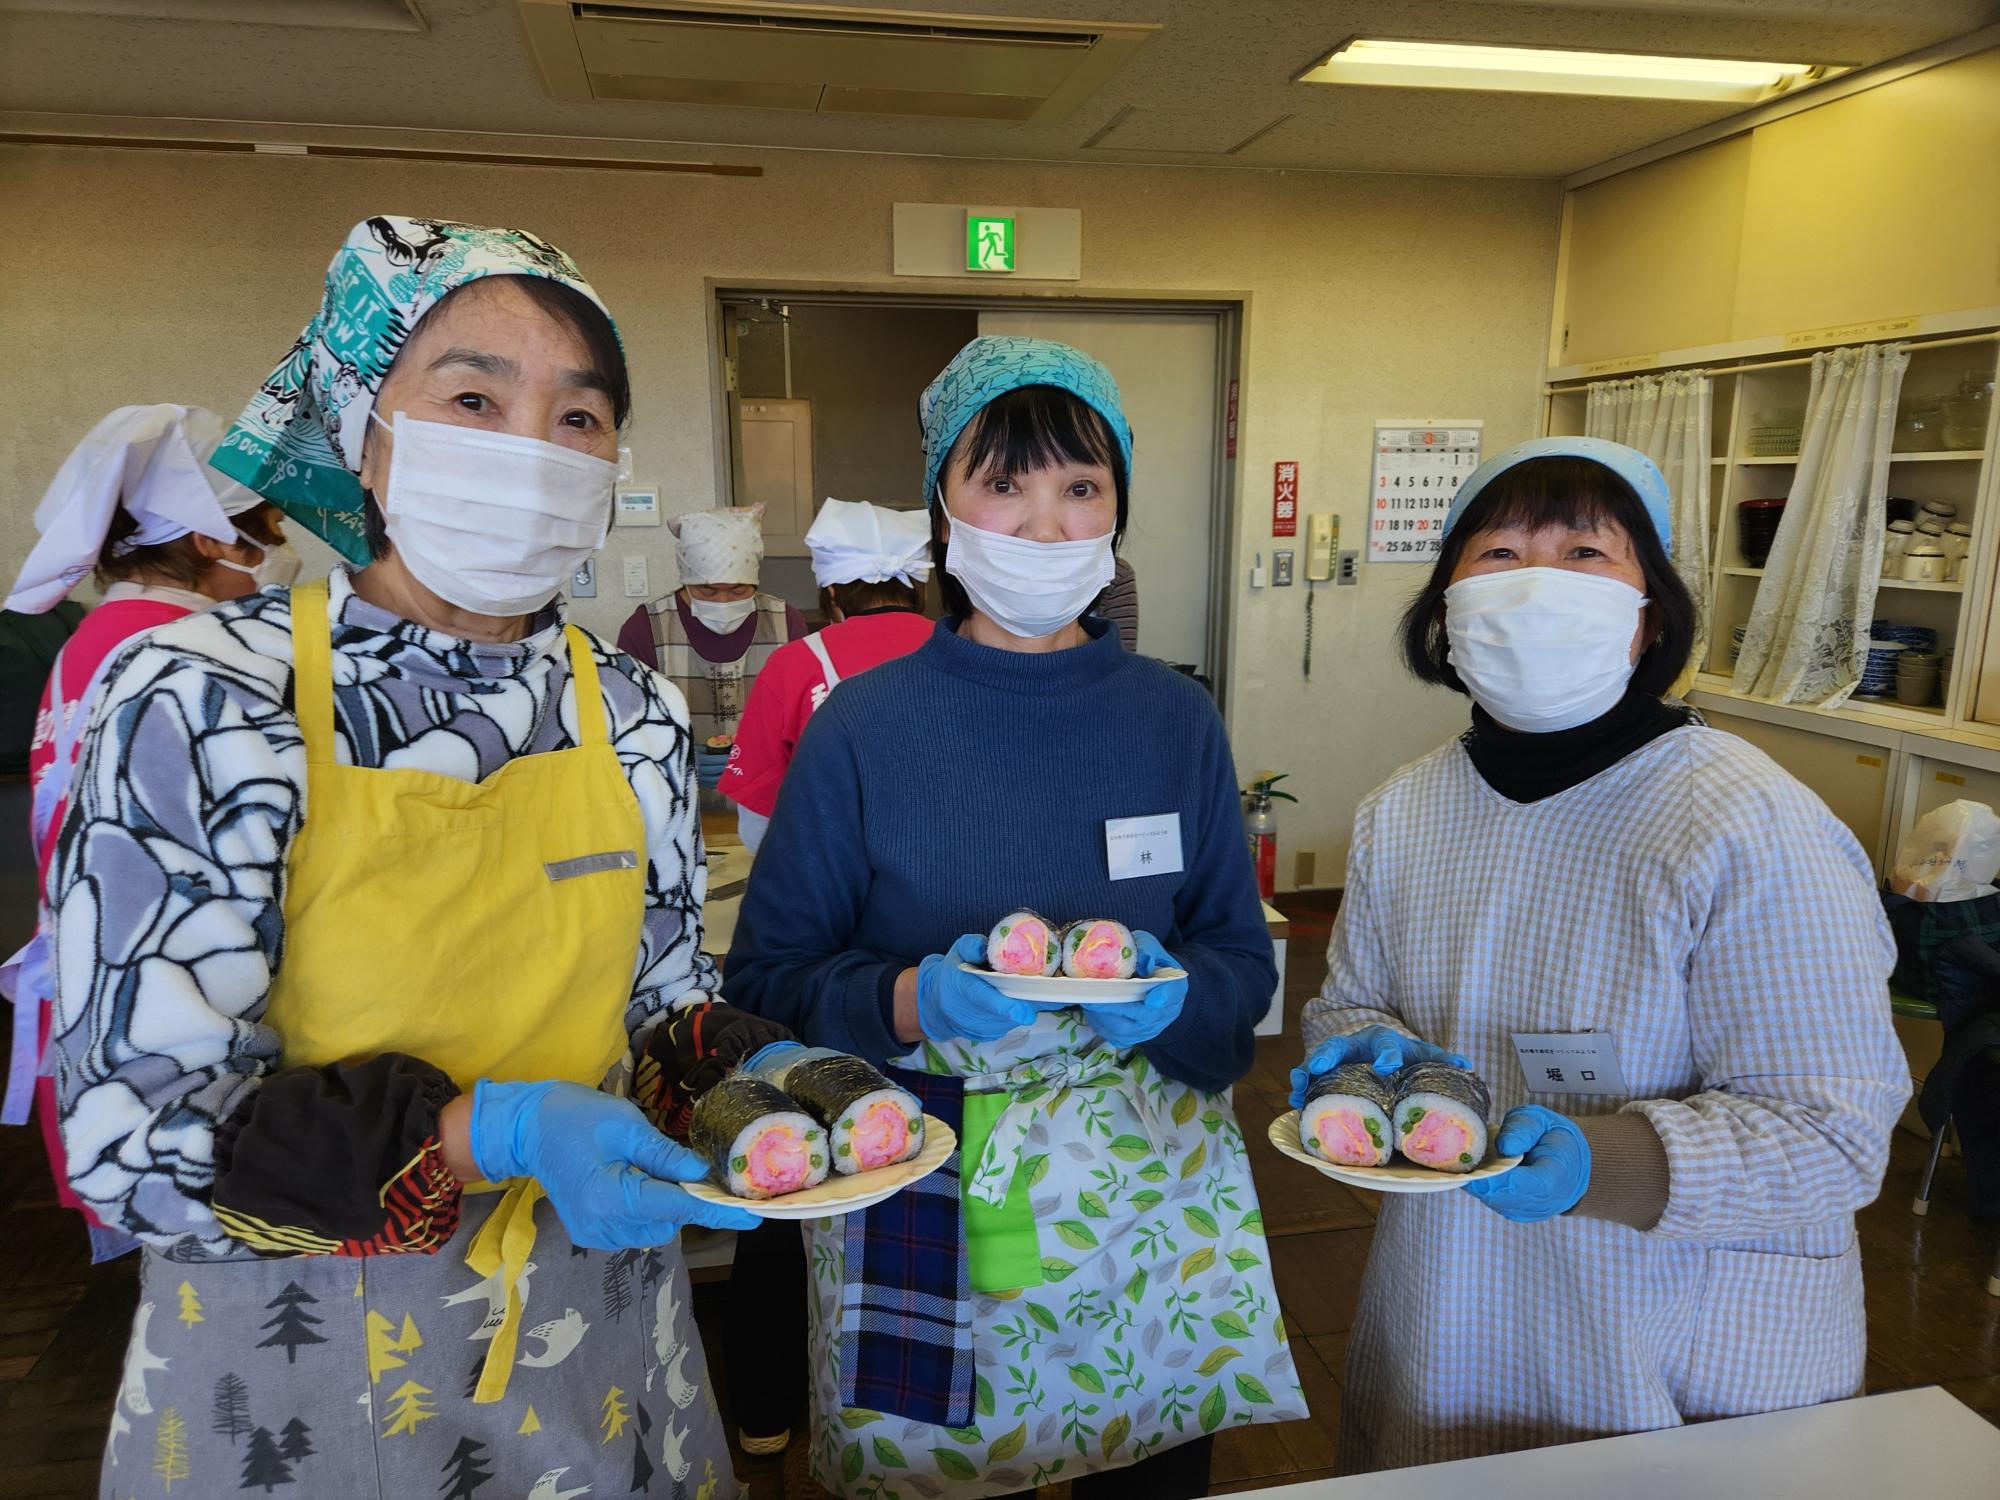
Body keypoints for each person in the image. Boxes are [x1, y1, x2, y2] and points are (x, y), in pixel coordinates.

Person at [50, 216, 776, 1500]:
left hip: (604, 1337)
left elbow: (660, 1010)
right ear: (363, 434)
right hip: (310, 1372)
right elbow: (134, 1138)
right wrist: (483, 1129)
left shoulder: (634, 711)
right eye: (472, 398)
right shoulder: (205, 694)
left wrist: (757, 1077)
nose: (531, 452)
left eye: (577, 419)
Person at [723, 336, 1302, 1500]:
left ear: (1115, 512)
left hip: (1147, 1186)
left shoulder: (1170, 720)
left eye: (1079, 488)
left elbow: (1239, 959)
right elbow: (766, 977)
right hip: (929, 1168)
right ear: (942, 506)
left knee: (1144, 1470)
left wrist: (1178, 998)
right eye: (1005, 484)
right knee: (933, 1474)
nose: (1044, 527)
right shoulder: (863, 728)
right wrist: (899, 997)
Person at [1293, 436, 1908, 1473]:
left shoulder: (1745, 820)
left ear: (1647, 615)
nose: (1535, 584)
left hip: (1673, 1349)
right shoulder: (1403, 809)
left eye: (1583, 553)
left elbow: (1834, 1131)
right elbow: (1348, 1003)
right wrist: (1364, 1059)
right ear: (1444, 610)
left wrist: (1607, 1161)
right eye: (1496, 555)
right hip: (1450, 1311)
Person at [1, 403, 298, 1262]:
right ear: (211, 540)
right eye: (266, 529)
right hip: (168, 991)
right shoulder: (186, 652)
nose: (278, 549)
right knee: (207, 1221)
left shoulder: (96, 637)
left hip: (100, 975)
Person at [720, 497, 933, 855]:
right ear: (918, 585)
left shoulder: (793, 664)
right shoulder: (967, 648)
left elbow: (758, 814)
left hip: (832, 877)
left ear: (831, 589)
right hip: (950, 873)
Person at [617, 504, 805, 785]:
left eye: (738, 590)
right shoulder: (646, 629)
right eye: (707, 590)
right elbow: (625, 730)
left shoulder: (784, 622)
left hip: (767, 797)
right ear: (686, 578)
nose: (723, 602)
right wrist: (679, 757)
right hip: (678, 799)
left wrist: (769, 753)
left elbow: (807, 717)